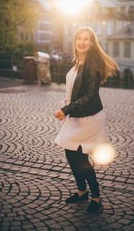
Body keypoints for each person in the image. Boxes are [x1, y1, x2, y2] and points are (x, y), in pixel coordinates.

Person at [54, 26, 119, 214]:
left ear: (92, 43)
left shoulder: (92, 64)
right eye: (79, 39)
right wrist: (67, 108)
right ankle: (82, 191)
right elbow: (73, 90)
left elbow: (90, 94)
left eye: (86, 39)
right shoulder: (78, 62)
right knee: (70, 155)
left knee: (81, 160)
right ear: (75, 42)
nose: (82, 42)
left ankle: (96, 197)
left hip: (89, 118)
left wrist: (66, 109)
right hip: (75, 115)